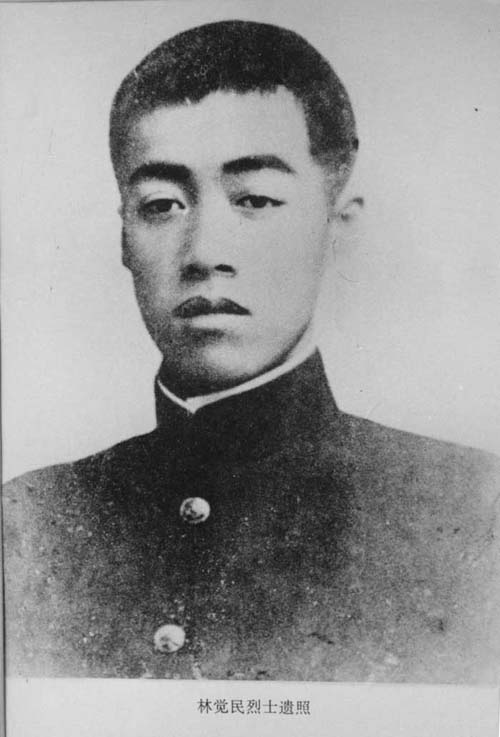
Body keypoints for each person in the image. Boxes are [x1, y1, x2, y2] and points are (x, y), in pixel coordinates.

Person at [3, 19, 499, 683]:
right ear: (124, 237)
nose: (205, 252)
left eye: (256, 199)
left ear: (338, 226)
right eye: (162, 204)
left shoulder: (472, 513)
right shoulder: (29, 521)